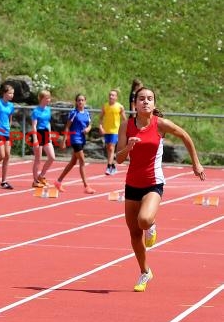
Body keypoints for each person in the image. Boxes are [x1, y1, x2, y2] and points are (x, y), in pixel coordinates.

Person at [116, 87, 205, 292]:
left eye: (149, 99)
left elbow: (184, 135)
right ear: (135, 104)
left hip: (153, 182)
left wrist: (196, 163)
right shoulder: (126, 126)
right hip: (132, 184)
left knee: (144, 220)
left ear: (154, 104)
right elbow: (118, 159)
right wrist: (128, 147)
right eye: (141, 99)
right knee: (135, 234)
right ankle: (145, 272)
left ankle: (152, 224)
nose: (145, 102)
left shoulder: (160, 125)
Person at [53, 94, 96, 194]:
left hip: (82, 140)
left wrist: (88, 129)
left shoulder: (87, 113)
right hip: (75, 139)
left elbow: (90, 124)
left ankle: (58, 181)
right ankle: (86, 186)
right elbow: (67, 127)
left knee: (73, 162)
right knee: (82, 161)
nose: (80, 102)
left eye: (82, 100)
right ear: (76, 102)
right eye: (79, 100)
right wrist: (63, 141)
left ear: (85, 101)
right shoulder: (73, 113)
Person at [0, 84, 15, 189]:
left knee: (7, 156)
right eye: (10, 93)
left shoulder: (11, 105)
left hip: (6, 132)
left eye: (12, 93)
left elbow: (10, 118)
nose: (11, 95)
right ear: (4, 93)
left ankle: (4, 181)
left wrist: (8, 128)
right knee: (1, 155)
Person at [31, 90, 56, 188]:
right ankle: (35, 181)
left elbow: (48, 122)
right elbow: (34, 126)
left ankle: (41, 176)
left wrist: (49, 135)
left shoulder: (48, 109)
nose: (49, 100)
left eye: (49, 98)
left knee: (52, 157)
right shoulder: (36, 111)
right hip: (38, 134)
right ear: (41, 99)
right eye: (47, 98)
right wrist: (35, 139)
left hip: (46, 134)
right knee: (38, 160)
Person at [99, 89, 127, 175]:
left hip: (115, 130)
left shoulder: (120, 107)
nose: (111, 96)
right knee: (109, 148)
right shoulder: (105, 106)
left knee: (111, 148)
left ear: (116, 97)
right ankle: (113, 166)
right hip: (107, 130)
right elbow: (100, 118)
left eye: (113, 95)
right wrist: (101, 127)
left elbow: (124, 119)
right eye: (110, 95)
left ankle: (108, 166)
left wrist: (123, 129)